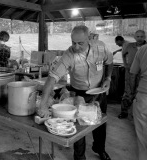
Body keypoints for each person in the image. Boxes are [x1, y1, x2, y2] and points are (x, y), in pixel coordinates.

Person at [37, 25, 113, 160]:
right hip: (79, 94)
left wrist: (108, 77)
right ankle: (79, 157)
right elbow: (52, 78)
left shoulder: (101, 47)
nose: (76, 47)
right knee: (78, 127)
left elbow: (109, 61)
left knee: (99, 123)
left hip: (99, 91)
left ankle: (100, 149)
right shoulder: (69, 54)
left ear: (89, 38)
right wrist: (43, 105)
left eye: (80, 43)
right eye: (73, 43)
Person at [118, 30, 146, 119]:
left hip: (142, 74)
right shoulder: (130, 46)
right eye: (138, 36)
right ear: (134, 37)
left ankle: (136, 114)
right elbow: (123, 54)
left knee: (139, 93)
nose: (140, 38)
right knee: (128, 91)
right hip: (130, 72)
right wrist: (125, 64)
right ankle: (124, 112)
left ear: (145, 37)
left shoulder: (146, 47)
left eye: (142, 36)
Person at [130, 44, 147, 160]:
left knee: (142, 138)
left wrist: (132, 93)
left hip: (143, 97)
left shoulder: (143, 49)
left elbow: (133, 74)